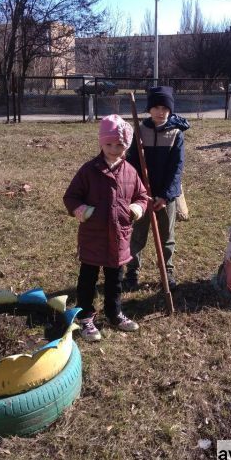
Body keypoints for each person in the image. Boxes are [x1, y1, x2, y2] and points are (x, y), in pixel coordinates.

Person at [63, 114, 148, 342]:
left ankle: (114, 312)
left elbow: (142, 196)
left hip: (120, 236)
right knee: (88, 278)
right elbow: (71, 197)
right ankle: (85, 316)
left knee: (115, 279)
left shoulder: (130, 171)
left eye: (119, 145)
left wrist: (137, 209)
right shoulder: (89, 170)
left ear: (126, 145)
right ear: (101, 143)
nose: (113, 149)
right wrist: (83, 211)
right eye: (109, 144)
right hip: (93, 235)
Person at [124, 86, 190, 293]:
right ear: (149, 109)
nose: (160, 112)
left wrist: (165, 195)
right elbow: (132, 163)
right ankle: (132, 271)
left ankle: (167, 271)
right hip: (142, 195)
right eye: (156, 107)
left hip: (166, 196)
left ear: (170, 110)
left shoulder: (175, 134)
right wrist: (140, 193)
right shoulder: (140, 131)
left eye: (165, 108)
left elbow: (176, 169)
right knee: (138, 234)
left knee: (166, 235)